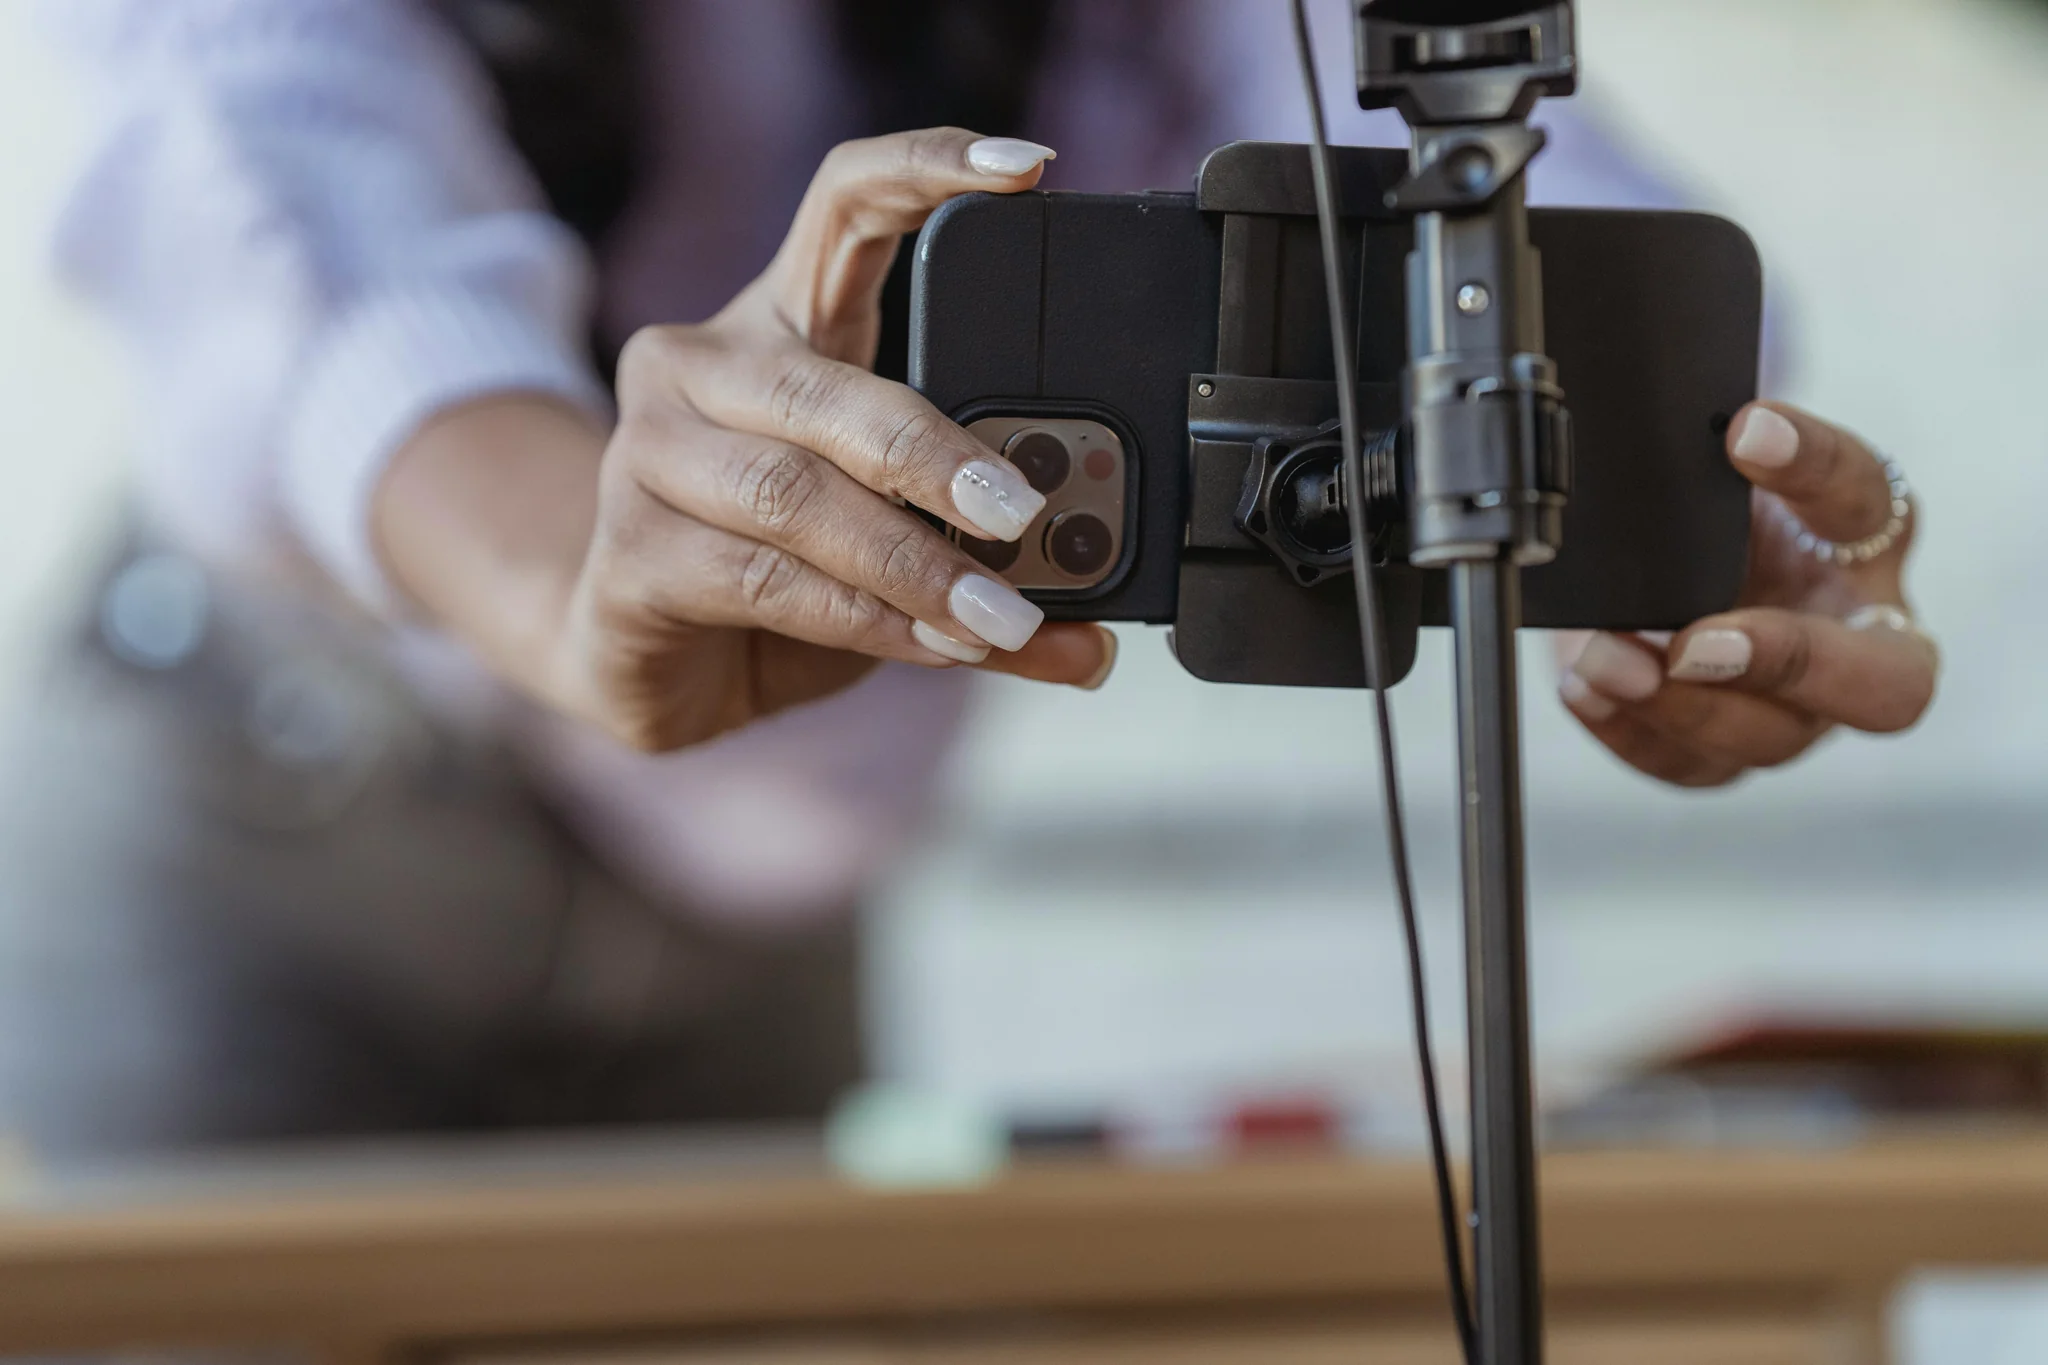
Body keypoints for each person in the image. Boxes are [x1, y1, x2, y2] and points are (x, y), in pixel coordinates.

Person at [0, 0, 1936, 1155]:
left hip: (756, 927)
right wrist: (573, 581)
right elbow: (274, 195)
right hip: (257, 860)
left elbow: (1404, 112)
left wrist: (1695, 477)